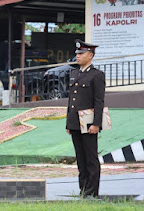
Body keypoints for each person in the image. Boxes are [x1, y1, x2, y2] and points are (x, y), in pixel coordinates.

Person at [66, 39, 105, 198]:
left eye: (81, 54)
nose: (78, 56)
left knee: (90, 159)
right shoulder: (74, 73)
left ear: (90, 55)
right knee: (80, 160)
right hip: (75, 122)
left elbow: (99, 101)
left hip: (89, 123)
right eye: (77, 54)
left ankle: (92, 192)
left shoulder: (97, 75)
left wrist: (96, 123)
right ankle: (83, 190)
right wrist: (68, 123)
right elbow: (71, 101)